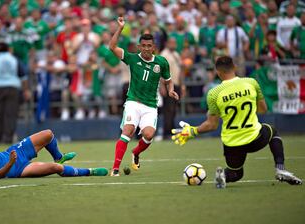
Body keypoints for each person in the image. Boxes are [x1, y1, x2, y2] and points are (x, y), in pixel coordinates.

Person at [172, 56, 302, 188]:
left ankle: (223, 175)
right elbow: (263, 109)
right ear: (234, 67)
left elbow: (212, 125)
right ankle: (280, 168)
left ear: (218, 72)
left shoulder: (214, 93)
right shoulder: (251, 82)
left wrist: (192, 131)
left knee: (236, 173)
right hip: (255, 138)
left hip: (232, 144)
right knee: (272, 131)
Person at [109, 17, 179, 176]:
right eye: (144, 46)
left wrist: (170, 90)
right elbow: (112, 47)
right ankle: (115, 169)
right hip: (133, 102)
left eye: (149, 46)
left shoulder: (161, 62)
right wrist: (120, 28)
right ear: (139, 46)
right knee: (128, 130)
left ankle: (136, 153)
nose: (146, 49)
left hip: (150, 106)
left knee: (148, 135)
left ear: (154, 47)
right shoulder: (132, 58)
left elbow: (169, 81)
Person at [0, 129, 108, 180]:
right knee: (56, 168)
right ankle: (90, 171)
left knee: (48, 134)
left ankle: (59, 155)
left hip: (13, 152)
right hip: (17, 169)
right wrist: (10, 163)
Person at [0, 42, 31, 144]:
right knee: (11, 115)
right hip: (13, 89)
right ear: (8, 49)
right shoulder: (14, 59)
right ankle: (7, 139)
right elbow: (24, 77)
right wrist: (26, 90)